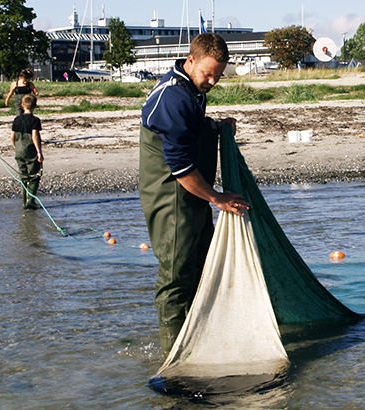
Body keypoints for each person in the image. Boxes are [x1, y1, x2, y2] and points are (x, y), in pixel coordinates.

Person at [138, 33, 249, 356]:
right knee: (175, 276)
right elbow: (181, 167)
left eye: (218, 74)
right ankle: (173, 360)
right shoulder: (174, 97)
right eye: (208, 73)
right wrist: (217, 198)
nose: (212, 80)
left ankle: (197, 341)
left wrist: (215, 127)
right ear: (191, 61)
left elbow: (190, 129)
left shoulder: (191, 89)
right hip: (172, 197)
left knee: (201, 266)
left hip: (193, 196)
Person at [10, 94, 43, 209]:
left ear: (22, 105)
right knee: (34, 175)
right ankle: (30, 201)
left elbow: (12, 137)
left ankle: (24, 202)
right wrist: (39, 152)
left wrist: (16, 147)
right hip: (30, 150)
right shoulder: (35, 120)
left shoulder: (16, 119)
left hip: (19, 150)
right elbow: (35, 136)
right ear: (35, 106)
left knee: (23, 175)